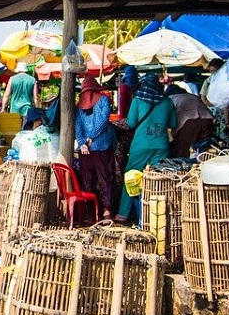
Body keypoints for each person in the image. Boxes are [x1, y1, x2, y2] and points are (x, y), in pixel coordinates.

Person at [114, 72, 177, 223]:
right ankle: (155, 215)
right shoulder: (167, 101)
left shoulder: (138, 100)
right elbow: (173, 124)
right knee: (158, 180)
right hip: (161, 145)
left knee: (131, 177)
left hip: (140, 145)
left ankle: (123, 213)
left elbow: (131, 123)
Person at [74, 77, 117, 220]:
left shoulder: (79, 105)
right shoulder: (104, 100)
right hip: (102, 146)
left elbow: (78, 127)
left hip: (86, 149)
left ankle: (91, 211)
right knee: (105, 177)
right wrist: (87, 140)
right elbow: (103, 121)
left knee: (88, 179)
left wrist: (82, 142)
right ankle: (106, 210)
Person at [165, 84, 215, 157]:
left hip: (189, 123)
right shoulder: (193, 96)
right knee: (203, 149)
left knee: (184, 152)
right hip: (207, 120)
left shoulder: (170, 98)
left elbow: (170, 120)